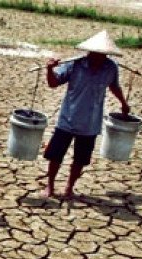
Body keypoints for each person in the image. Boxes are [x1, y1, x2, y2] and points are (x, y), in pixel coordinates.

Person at [43, 30, 130, 199]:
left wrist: (124, 103)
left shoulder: (111, 68)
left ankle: (69, 187)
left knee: (80, 160)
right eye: (95, 53)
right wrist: (49, 69)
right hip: (67, 119)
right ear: (89, 51)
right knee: (55, 156)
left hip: (90, 123)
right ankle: (50, 186)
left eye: (102, 54)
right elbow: (53, 83)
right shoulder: (75, 64)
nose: (98, 56)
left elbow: (114, 86)